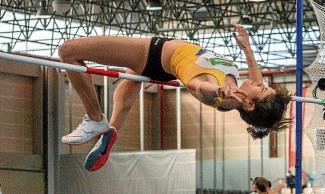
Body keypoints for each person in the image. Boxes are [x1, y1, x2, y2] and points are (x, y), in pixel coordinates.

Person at [59, 24, 291, 171]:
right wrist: (248, 50)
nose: (260, 83)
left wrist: (217, 91)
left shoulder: (218, 94)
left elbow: (196, 86)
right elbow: (257, 80)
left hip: (153, 53)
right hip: (163, 66)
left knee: (68, 50)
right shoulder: (239, 90)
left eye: (262, 90)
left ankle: (94, 118)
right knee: (131, 78)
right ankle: (111, 130)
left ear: (249, 103)